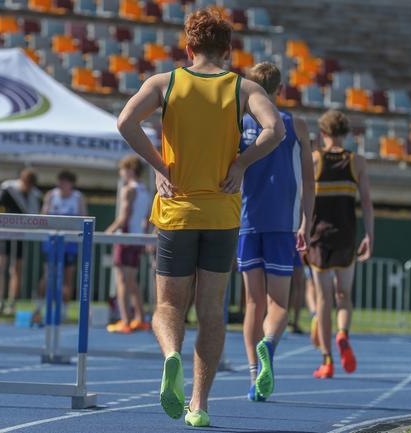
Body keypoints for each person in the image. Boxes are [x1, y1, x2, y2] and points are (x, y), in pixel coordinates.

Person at [116, 7, 285, 427]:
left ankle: (171, 353)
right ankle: (199, 405)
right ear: (227, 51)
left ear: (187, 48)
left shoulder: (165, 82)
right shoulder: (241, 87)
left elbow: (125, 122)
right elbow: (275, 129)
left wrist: (159, 165)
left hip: (177, 210)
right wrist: (243, 163)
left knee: (169, 304)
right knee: (211, 310)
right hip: (222, 213)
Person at [236, 62, 314, 402]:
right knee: (278, 303)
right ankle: (269, 344)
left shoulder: (240, 123)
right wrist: (306, 221)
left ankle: (254, 375)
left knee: (252, 302)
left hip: (247, 220)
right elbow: (310, 180)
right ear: (279, 89)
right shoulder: (295, 124)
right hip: (283, 222)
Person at [309, 110, 374, 379]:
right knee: (343, 296)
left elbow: (303, 199)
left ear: (323, 134)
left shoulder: (315, 160)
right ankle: (343, 334)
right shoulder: (356, 161)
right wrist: (369, 236)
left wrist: (300, 229)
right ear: (346, 134)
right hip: (346, 235)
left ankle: (327, 361)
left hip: (319, 237)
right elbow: (367, 203)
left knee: (323, 300)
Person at [105, 156, 152, 333]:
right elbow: (147, 220)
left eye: (122, 170)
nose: (121, 173)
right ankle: (139, 318)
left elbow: (123, 218)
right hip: (138, 238)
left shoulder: (128, 190)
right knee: (132, 281)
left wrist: (107, 233)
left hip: (125, 238)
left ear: (130, 170)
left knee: (122, 280)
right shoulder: (145, 191)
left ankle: (125, 320)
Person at [0, 169, 41, 315]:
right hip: (3, 233)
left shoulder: (34, 194)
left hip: (20, 235)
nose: (27, 187)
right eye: (26, 183)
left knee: (16, 269)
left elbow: (35, 215)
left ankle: (11, 303)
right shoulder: (8, 188)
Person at [35, 170, 87, 320]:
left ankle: (64, 310)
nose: (62, 185)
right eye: (61, 182)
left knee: (67, 278)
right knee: (48, 275)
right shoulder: (51, 196)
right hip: (52, 242)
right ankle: (39, 307)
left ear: (71, 184)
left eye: (66, 182)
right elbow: (43, 217)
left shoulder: (78, 198)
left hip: (70, 243)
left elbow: (84, 218)